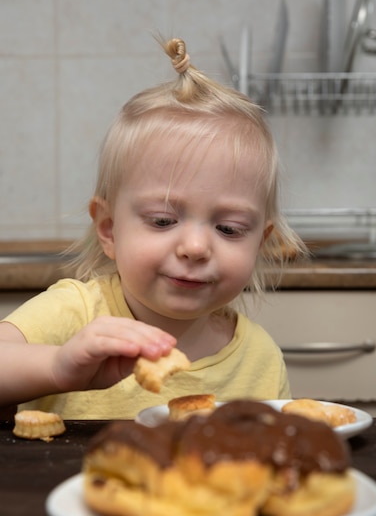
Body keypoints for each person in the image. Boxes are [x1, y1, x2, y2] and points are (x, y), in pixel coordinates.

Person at [0, 37, 306, 420]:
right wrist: (58, 367)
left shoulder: (261, 357)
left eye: (229, 229)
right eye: (163, 221)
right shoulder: (75, 313)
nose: (195, 247)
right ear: (109, 230)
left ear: (260, 243)